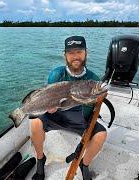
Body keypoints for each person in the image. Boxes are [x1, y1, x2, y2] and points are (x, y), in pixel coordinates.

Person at [31, 36, 107, 180]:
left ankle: (84, 164)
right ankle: (40, 159)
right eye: (71, 53)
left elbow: (94, 108)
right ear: (64, 55)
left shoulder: (93, 78)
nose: (75, 56)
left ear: (86, 53)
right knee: (34, 123)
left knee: (101, 135)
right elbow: (48, 100)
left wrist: (97, 99)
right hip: (56, 117)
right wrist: (49, 108)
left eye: (79, 52)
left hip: (81, 122)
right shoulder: (56, 74)